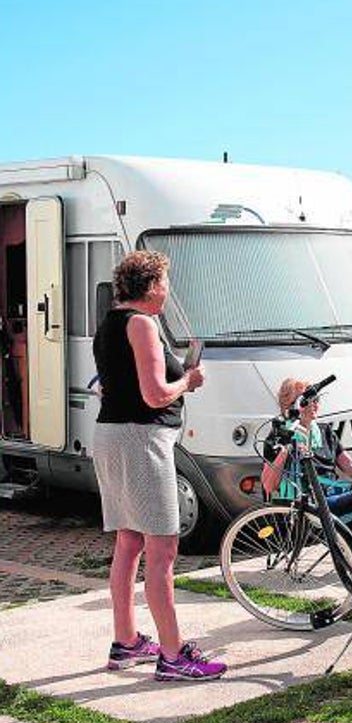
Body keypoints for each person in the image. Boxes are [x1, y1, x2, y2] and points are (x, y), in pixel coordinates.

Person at [93, 250, 226, 681]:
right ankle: (172, 656)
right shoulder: (142, 324)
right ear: (151, 287)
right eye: (165, 282)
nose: (168, 291)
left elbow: (110, 387)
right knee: (163, 550)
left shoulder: (110, 324)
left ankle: (126, 641)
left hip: (113, 435)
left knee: (129, 542)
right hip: (141, 440)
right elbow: (153, 395)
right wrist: (189, 380)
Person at [261, 378, 352, 524]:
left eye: (316, 399)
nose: (314, 404)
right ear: (290, 406)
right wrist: (286, 448)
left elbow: (351, 467)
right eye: (307, 400)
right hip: (309, 503)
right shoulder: (279, 435)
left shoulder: (324, 431)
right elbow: (268, 485)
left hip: (333, 493)